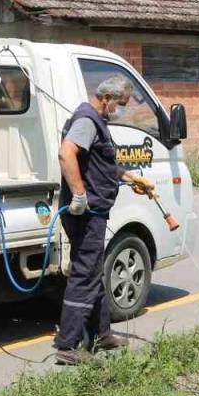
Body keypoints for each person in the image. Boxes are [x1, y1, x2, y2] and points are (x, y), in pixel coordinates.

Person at [54, 76, 154, 365]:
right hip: (86, 214)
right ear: (107, 98)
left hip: (95, 213)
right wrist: (79, 194)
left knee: (94, 270)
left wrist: (130, 177)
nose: (120, 110)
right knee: (84, 275)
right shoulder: (87, 120)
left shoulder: (97, 121)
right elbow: (66, 154)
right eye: (120, 104)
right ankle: (68, 345)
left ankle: (100, 333)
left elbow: (102, 162)